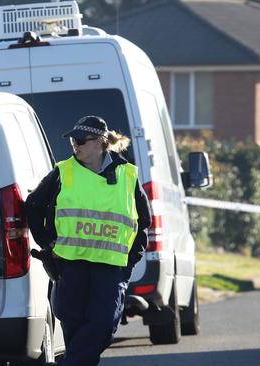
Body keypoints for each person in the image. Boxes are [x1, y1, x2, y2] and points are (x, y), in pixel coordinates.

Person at [25, 116, 151, 366]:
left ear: (101, 143)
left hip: (111, 266)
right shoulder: (62, 171)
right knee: (73, 324)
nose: (76, 145)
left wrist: (130, 262)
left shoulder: (128, 174)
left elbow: (143, 221)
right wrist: (47, 243)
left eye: (81, 140)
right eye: (73, 140)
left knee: (104, 324)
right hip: (71, 264)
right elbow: (33, 205)